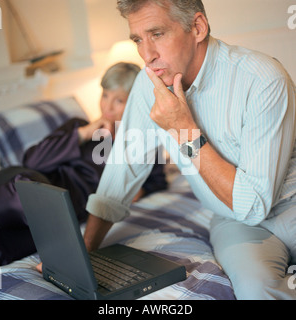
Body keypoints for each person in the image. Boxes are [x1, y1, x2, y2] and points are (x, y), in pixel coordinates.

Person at [83, 0, 296, 300]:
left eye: (157, 34)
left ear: (197, 27)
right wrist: (85, 250)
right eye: (138, 40)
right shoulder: (149, 85)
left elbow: (255, 202)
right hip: (234, 221)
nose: (146, 55)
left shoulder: (262, 78)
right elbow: (123, 168)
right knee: (256, 290)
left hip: (290, 203)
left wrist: (184, 129)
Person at [0, 62, 168, 266]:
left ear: (134, 104)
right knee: (29, 194)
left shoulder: (141, 143)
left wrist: (139, 190)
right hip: (32, 186)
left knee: (4, 252)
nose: (108, 106)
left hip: (67, 215)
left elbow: (158, 181)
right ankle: (64, 244)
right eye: (105, 95)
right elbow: (32, 161)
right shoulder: (78, 126)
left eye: (119, 100)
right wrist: (84, 133)